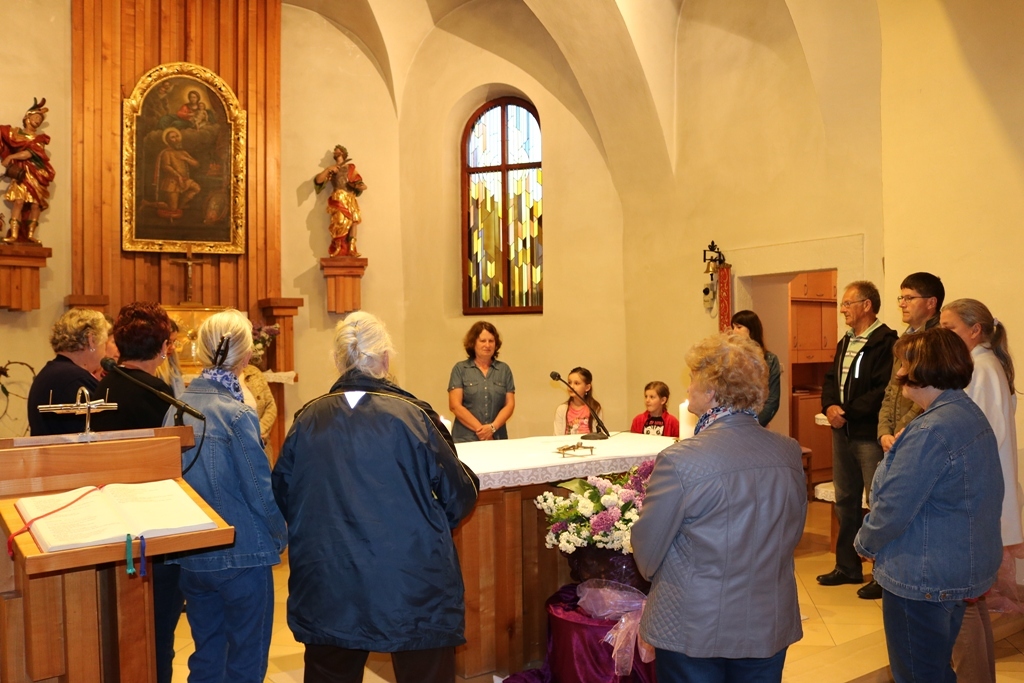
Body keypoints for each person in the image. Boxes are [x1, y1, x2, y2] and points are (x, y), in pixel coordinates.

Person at [272, 311, 479, 683]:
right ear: (385, 358)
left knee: (330, 672)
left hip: (329, 577)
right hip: (410, 580)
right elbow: (459, 494)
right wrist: (422, 524)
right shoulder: (415, 416)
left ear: (339, 360)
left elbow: (284, 492)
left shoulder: (307, 419)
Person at [632, 334, 806, 682]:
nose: (687, 388)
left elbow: (647, 554)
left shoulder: (681, 460)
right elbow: (792, 532)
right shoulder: (788, 451)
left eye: (693, 378)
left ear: (711, 390)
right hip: (767, 619)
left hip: (695, 624)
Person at [855, 327, 1003, 683]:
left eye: (904, 364)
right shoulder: (965, 413)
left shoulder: (931, 430)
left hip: (923, 573)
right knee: (935, 669)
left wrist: (865, 542)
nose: (899, 372)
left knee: (919, 674)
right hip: (952, 565)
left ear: (923, 368)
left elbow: (893, 507)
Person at [168, 309, 287, 683]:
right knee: (245, 661)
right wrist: (280, 534)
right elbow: (258, 488)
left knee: (207, 656)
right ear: (247, 356)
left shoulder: (174, 409)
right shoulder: (236, 413)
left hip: (193, 552)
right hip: (241, 552)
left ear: (201, 351)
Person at [88, 302, 182, 683]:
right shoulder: (158, 394)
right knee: (157, 638)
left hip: (111, 522)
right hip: (153, 528)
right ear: (162, 348)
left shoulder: (105, 385)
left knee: (122, 635)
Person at [941, 299, 1024, 682]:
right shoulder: (980, 364)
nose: (944, 334)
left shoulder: (983, 367)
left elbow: (980, 433)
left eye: (950, 327)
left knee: (968, 600)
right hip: (977, 487)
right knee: (970, 600)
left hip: (974, 489)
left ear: (975, 330)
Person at [817, 281, 898, 599]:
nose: (842, 309)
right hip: (843, 432)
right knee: (845, 501)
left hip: (867, 434)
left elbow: (882, 390)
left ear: (867, 305)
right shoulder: (846, 341)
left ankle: (883, 574)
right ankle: (847, 566)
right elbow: (830, 379)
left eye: (848, 303)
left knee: (877, 502)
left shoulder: (885, 342)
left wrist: (846, 412)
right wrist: (829, 406)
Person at [877, 272, 944, 454]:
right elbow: (892, 388)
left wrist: (901, 429)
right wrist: (884, 431)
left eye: (909, 298)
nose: (902, 304)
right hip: (897, 435)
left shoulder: (938, 340)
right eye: (901, 298)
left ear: (931, 302)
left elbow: (927, 395)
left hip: (919, 435)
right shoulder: (904, 338)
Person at [26, 309, 109, 436]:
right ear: (91, 340)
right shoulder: (76, 380)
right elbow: (105, 429)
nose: (105, 353)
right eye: (104, 344)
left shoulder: (48, 374)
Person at [447, 321, 515, 443]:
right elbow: (455, 406)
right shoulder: (460, 369)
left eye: (491, 341)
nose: (487, 345)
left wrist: (492, 428)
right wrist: (483, 432)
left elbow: (509, 405)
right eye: (483, 341)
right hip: (466, 439)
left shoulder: (504, 370)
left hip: (497, 438)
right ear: (473, 343)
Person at [1, 98, 54, 244]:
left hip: (36, 172)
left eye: (40, 120)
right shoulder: (16, 134)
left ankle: (30, 235)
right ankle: (14, 235)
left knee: (35, 204)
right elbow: (3, 133)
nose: (38, 121)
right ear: (27, 117)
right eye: (36, 117)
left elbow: (29, 153)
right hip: (21, 173)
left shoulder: (40, 139)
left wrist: (11, 156)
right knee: (18, 202)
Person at [314, 145, 367, 257]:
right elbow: (319, 181)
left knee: (353, 222)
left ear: (342, 153)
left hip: (350, 197)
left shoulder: (350, 168)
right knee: (339, 222)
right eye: (334, 151)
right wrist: (328, 169)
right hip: (338, 197)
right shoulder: (332, 169)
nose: (335, 152)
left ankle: (352, 248)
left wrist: (358, 186)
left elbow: (359, 183)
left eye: (337, 151)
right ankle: (338, 248)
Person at [730, 310, 781, 426]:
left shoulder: (770, 360)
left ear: (751, 329)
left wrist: (754, 424)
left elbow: (772, 400)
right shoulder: (729, 357)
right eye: (733, 327)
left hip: (758, 422)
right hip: (732, 422)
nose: (734, 331)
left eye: (739, 327)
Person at [156, 127, 200, 213]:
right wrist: (178, 176)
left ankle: (181, 205)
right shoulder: (166, 153)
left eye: (177, 136)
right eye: (173, 137)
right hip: (172, 182)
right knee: (172, 208)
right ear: (168, 140)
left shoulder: (183, 152)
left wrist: (186, 159)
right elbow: (166, 166)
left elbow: (196, 164)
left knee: (196, 188)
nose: (176, 139)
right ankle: (148, 204)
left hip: (184, 180)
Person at [241, 362, 278, 462]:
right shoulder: (219, 375)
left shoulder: (254, 372)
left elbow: (270, 405)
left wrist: (260, 429)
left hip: (260, 444)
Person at [554, 366, 603, 435]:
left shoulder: (595, 407)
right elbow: (557, 436)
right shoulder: (562, 409)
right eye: (569, 382)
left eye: (576, 383)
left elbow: (598, 434)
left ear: (587, 387)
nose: (571, 386)